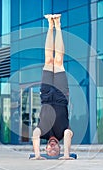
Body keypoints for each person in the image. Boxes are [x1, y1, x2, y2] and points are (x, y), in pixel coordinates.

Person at [31, 14, 74, 160]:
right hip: (61, 96)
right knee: (59, 61)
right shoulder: (64, 134)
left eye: (50, 150)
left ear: (46, 148)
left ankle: (50, 25)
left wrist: (37, 155)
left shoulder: (42, 133)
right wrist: (66, 155)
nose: (53, 147)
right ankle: (58, 25)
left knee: (49, 60)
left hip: (47, 96)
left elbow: (34, 135)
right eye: (56, 150)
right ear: (60, 147)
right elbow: (69, 134)